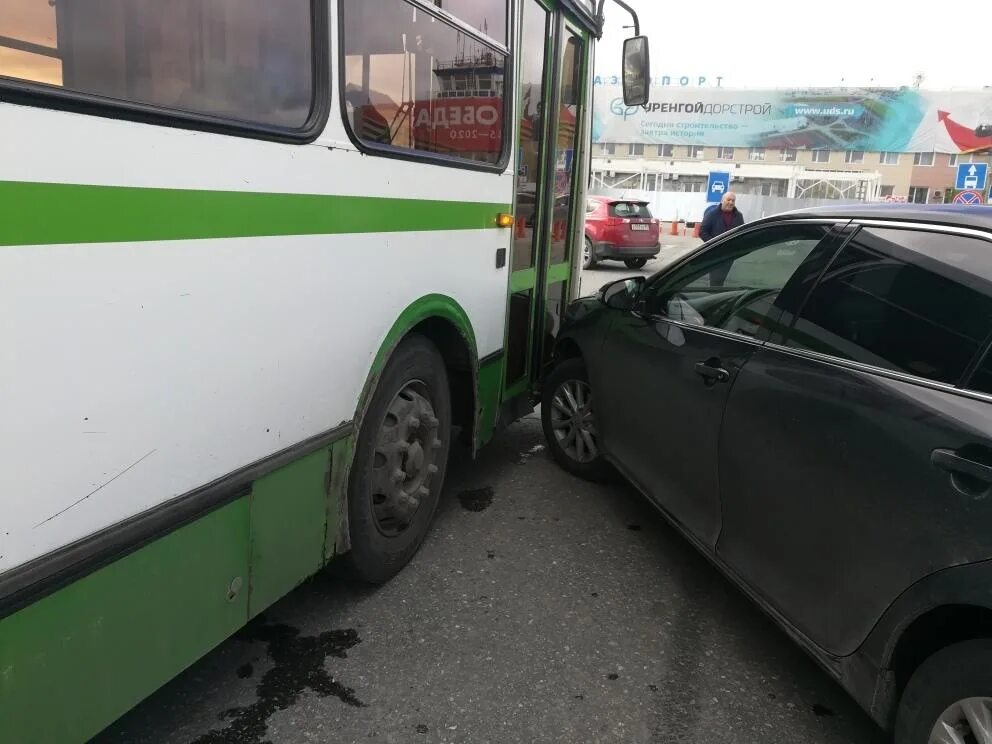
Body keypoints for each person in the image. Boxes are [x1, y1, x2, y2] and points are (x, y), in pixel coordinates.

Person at [699, 192, 744, 287]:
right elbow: (702, 231)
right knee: (715, 282)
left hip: (730, 255)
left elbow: (742, 233)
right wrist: (714, 244)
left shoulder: (738, 215)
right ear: (722, 200)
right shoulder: (712, 214)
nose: (731, 202)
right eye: (728, 200)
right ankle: (714, 299)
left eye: (733, 200)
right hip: (715, 254)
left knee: (723, 280)